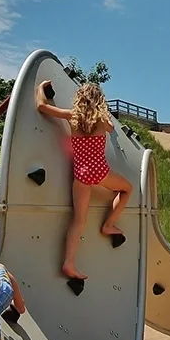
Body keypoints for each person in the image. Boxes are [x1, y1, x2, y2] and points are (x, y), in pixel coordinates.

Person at [35, 81, 132, 280]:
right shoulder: (102, 119)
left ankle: (69, 263)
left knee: (78, 220)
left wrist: (41, 88)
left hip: (81, 175)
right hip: (101, 172)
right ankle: (109, 224)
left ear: (79, 99)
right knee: (127, 189)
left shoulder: (71, 116)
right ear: (99, 100)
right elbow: (113, 129)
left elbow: (42, 107)